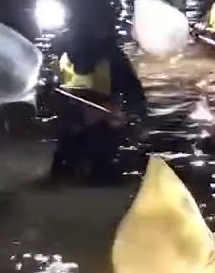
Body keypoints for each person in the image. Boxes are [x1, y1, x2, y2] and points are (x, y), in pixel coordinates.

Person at [50, 10, 146, 181]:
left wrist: (123, 115)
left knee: (103, 174)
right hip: (73, 126)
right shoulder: (64, 57)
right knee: (62, 171)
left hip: (103, 126)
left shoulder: (113, 59)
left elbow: (136, 98)